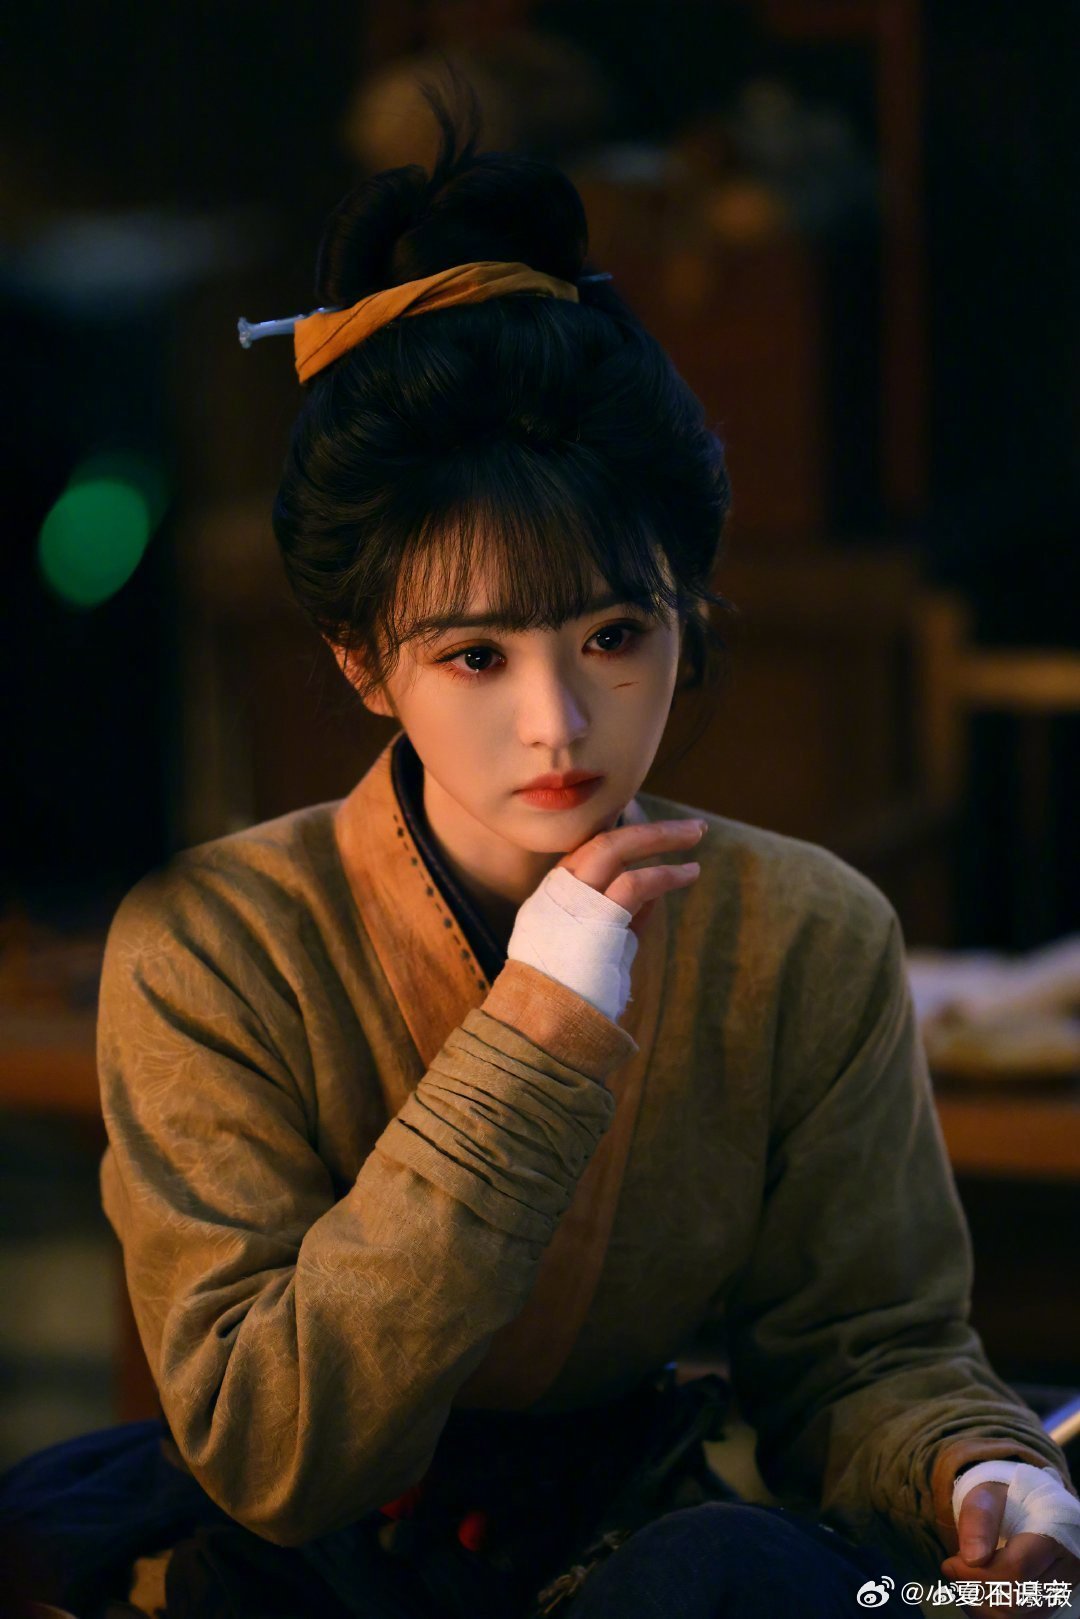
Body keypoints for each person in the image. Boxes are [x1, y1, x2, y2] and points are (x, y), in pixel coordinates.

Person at [4, 74, 1077, 1619]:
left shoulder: (805, 931)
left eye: (615, 634)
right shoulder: (215, 944)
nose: (559, 723)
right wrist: (537, 1036)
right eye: (474, 656)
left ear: (685, 612)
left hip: (624, 1551)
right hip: (316, 1565)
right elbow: (270, 1447)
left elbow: (868, 1353)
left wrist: (981, 1475)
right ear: (364, 665)